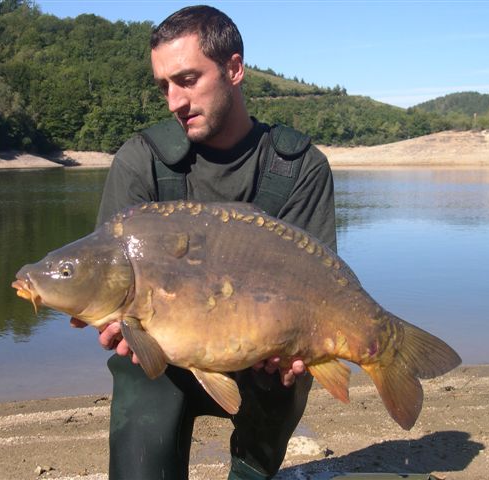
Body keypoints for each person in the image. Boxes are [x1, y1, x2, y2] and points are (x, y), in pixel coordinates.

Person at [72, 5, 336, 479]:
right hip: (165, 355)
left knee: (290, 377)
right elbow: (108, 279)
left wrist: (304, 347)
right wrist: (111, 322)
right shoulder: (142, 161)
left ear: (234, 69)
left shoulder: (300, 167)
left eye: (188, 80)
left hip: (261, 361)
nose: (174, 100)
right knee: (138, 378)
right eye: (164, 86)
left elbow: (321, 288)